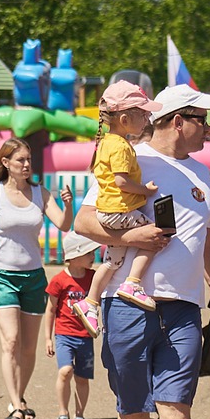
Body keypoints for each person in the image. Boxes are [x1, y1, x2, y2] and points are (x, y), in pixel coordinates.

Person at [73, 84, 210, 419]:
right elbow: (84, 221)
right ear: (177, 120)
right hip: (127, 303)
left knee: (177, 405)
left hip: (183, 306)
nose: (208, 128)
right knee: (132, 409)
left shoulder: (202, 173)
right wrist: (130, 239)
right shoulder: (131, 158)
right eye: (201, 119)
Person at [0, 138, 74, 419]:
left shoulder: (41, 193)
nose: (27, 165)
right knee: (11, 340)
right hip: (2, 275)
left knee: (28, 348)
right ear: (6, 164)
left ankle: (21, 397)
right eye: (20, 161)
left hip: (33, 277)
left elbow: (64, 225)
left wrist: (67, 206)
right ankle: (16, 406)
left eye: (29, 160)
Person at [72, 82, 163, 334]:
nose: (147, 119)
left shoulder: (106, 143)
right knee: (156, 236)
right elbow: (122, 182)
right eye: (143, 114)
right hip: (120, 212)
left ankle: (90, 302)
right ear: (124, 118)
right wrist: (147, 190)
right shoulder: (122, 146)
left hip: (107, 213)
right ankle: (132, 283)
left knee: (112, 262)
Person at [44, 232, 99, 419]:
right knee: (65, 371)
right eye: (89, 253)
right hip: (64, 335)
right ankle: (62, 413)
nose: (93, 256)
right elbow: (50, 310)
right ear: (75, 255)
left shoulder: (93, 277)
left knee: (82, 378)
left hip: (86, 336)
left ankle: (80, 416)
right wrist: (48, 338)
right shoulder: (59, 281)